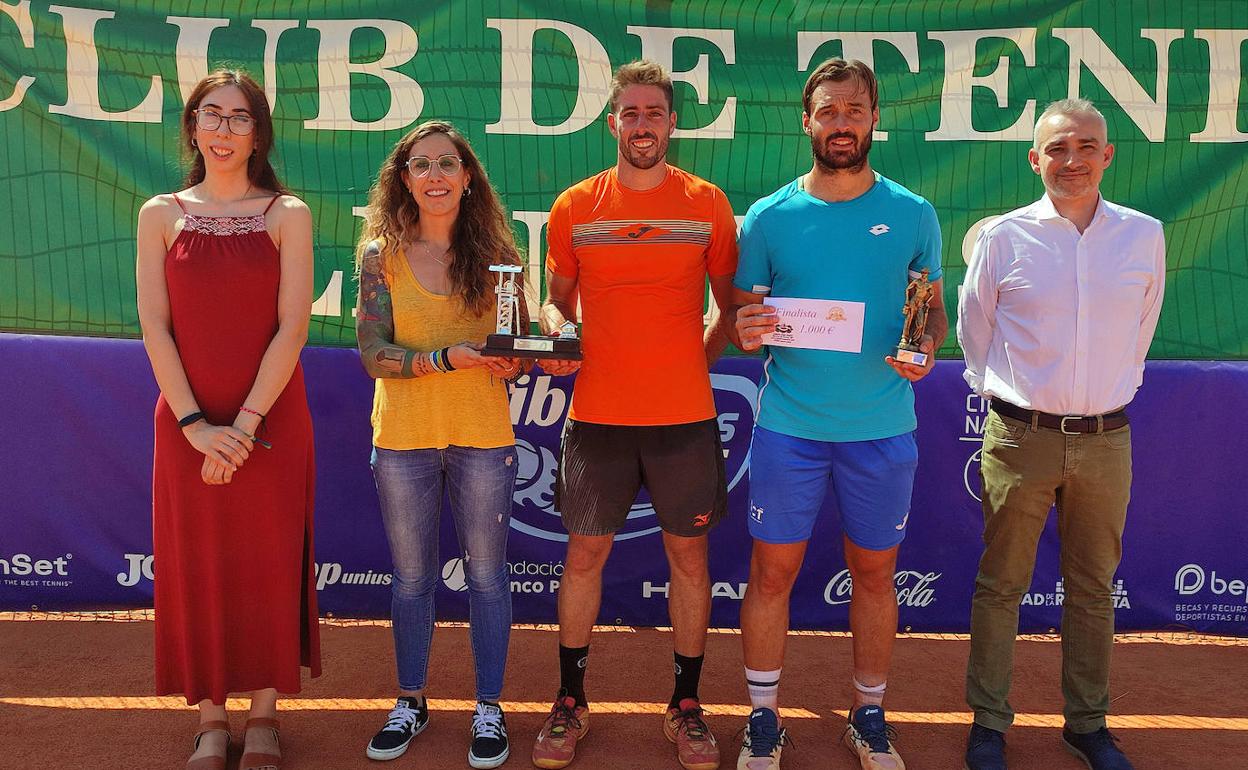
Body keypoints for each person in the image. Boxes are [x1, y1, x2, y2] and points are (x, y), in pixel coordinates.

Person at [732, 58, 945, 770]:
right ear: (807, 122)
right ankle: (763, 718)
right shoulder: (768, 216)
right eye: (828, 111)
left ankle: (870, 713)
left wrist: (925, 350)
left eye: (854, 110)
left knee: (878, 576)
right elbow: (743, 315)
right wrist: (747, 327)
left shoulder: (914, 212)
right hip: (789, 428)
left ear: (874, 118)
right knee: (770, 576)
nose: (842, 123)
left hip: (882, 431)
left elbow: (931, 315)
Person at [530, 60, 739, 770]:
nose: (643, 123)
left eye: (655, 112)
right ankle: (570, 701)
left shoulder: (707, 202)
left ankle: (685, 705)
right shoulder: (574, 206)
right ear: (611, 121)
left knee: (689, 557)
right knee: (584, 555)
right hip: (596, 419)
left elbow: (730, 308)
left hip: (684, 418)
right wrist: (554, 328)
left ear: (672, 123)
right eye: (631, 112)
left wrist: (692, 369)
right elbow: (557, 301)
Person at [958, 99, 1165, 770]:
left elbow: (1142, 330)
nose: (1071, 160)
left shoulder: (1144, 235)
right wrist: (1016, 402)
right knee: (1001, 584)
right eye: (1057, 149)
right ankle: (988, 723)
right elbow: (973, 330)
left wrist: (1102, 397)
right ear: (1035, 159)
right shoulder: (1003, 237)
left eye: (1085, 146)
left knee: (1093, 586)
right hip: (1021, 438)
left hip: (1108, 440)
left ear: (1107, 154)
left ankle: (1087, 725)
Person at [136, 69, 318, 770]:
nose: (223, 129)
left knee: (268, 562)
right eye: (211, 115)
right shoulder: (159, 213)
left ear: (258, 133)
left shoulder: (287, 214)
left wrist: (239, 428)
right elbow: (154, 323)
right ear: (191, 126)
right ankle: (211, 717)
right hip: (185, 426)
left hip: (269, 424)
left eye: (240, 118)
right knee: (197, 566)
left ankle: (265, 715)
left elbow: (292, 328)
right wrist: (194, 425)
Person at [355, 120, 526, 770]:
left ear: (467, 176)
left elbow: (516, 345)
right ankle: (411, 701)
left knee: (487, 577)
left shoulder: (499, 254)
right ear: (404, 178)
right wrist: (449, 359)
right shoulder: (379, 255)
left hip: (484, 436)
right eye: (421, 164)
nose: (434, 175)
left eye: (447, 164)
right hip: (403, 438)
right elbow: (374, 353)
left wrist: (517, 363)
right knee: (412, 580)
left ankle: (488, 707)